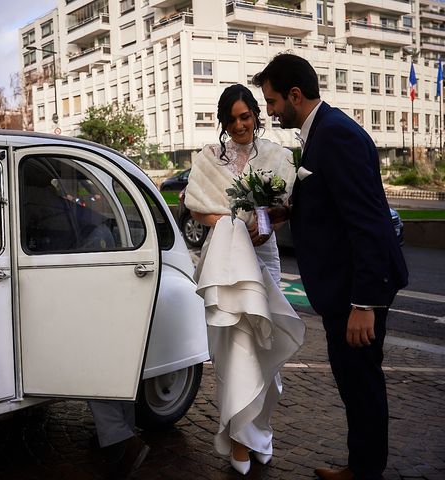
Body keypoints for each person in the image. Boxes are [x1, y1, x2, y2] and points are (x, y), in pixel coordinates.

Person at [252, 53, 408, 480]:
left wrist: (365, 303)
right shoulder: (322, 130)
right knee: (352, 382)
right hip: (342, 286)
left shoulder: (335, 135)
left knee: (361, 384)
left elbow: (368, 223)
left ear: (295, 95)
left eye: (271, 101)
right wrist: (289, 213)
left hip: (354, 290)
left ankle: (365, 471)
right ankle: (359, 465)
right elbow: (334, 205)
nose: (269, 110)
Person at [184, 84, 305, 475]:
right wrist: (232, 223)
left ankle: (260, 433)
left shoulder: (275, 156)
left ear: (255, 115)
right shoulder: (209, 158)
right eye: (231, 119)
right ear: (223, 122)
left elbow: (278, 209)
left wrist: (263, 223)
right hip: (227, 261)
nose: (239, 125)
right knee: (237, 346)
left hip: (263, 258)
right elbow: (199, 210)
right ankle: (238, 439)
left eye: (245, 116)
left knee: (266, 345)